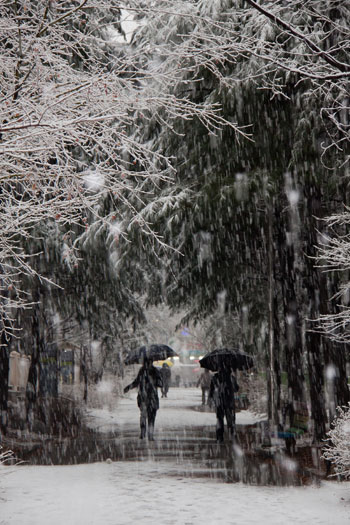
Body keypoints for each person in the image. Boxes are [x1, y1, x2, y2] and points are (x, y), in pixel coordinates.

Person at [124, 358, 163, 440]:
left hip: (144, 396)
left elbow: (136, 382)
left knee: (143, 415)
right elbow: (160, 383)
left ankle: (143, 432)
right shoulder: (154, 371)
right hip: (151, 397)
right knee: (151, 416)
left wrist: (128, 387)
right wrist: (155, 382)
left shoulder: (143, 371)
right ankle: (150, 434)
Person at [208, 364, 239, 442]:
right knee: (231, 420)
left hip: (219, 401)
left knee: (220, 419)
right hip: (229, 401)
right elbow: (236, 389)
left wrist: (210, 398)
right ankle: (232, 435)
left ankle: (220, 436)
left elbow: (211, 389)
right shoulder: (231, 378)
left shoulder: (215, 377)